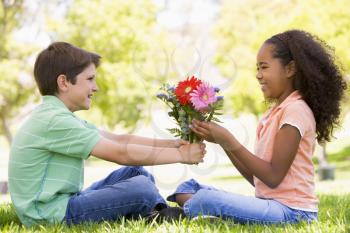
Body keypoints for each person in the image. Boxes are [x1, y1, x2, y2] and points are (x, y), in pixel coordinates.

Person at [8, 42, 206, 226]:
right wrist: (182, 156)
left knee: (136, 172)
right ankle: (163, 215)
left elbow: (120, 140)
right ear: (64, 82)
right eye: (90, 79)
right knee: (141, 188)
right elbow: (121, 153)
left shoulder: (58, 116)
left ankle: (156, 213)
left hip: (64, 204)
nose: (96, 87)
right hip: (50, 214)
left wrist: (171, 145)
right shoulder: (54, 121)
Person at [167, 29, 347, 224]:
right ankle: (208, 214)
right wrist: (223, 143)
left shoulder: (296, 111)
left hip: (292, 212)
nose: (258, 76)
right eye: (257, 69)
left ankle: (196, 212)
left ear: (289, 69)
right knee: (187, 188)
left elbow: (273, 177)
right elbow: (258, 180)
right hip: (270, 204)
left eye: (264, 67)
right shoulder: (275, 113)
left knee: (205, 199)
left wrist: (228, 139)